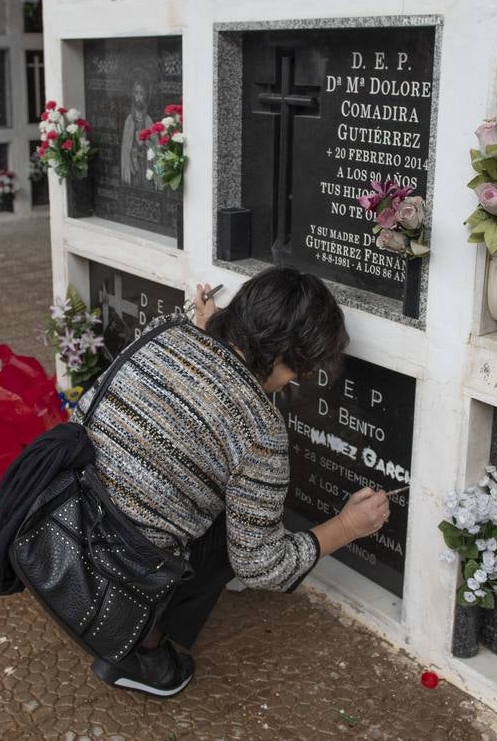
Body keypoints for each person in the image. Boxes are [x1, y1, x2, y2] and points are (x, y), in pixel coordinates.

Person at [80, 266, 390, 696]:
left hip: (63, 521)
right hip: (119, 571)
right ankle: (140, 650)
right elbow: (264, 567)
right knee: (242, 534)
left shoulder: (164, 331)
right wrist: (346, 527)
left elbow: (204, 386)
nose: (287, 387)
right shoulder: (261, 432)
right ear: (284, 358)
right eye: (295, 374)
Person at [119, 78, 152, 187]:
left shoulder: (148, 120)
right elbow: (125, 147)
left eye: (141, 93)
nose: (138, 97)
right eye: (136, 93)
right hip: (133, 165)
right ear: (133, 95)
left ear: (146, 96)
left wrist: (146, 144)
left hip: (146, 164)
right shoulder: (129, 120)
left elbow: (155, 145)